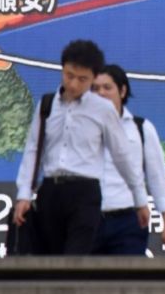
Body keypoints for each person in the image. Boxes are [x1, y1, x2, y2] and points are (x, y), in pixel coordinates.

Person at [12, 40, 150, 255]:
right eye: (69, 75)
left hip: (85, 193)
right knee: (50, 259)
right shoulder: (47, 104)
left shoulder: (102, 109)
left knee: (75, 259)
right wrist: (23, 195)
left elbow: (122, 156)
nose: (74, 84)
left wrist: (140, 200)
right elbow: (33, 151)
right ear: (62, 70)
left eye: (82, 79)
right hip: (50, 191)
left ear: (93, 78)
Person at [90, 64, 165, 254]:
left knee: (126, 281)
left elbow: (157, 178)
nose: (101, 93)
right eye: (95, 89)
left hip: (127, 221)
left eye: (107, 88)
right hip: (86, 221)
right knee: (85, 282)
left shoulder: (141, 128)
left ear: (122, 91)